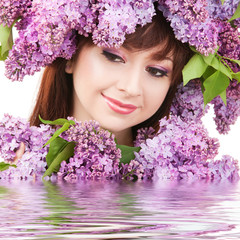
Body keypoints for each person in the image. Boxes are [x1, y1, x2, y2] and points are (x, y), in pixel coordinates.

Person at [29, 11, 192, 146]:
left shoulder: (181, 181)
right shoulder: (16, 168)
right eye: (114, 58)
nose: (131, 88)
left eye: (156, 71)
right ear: (70, 54)